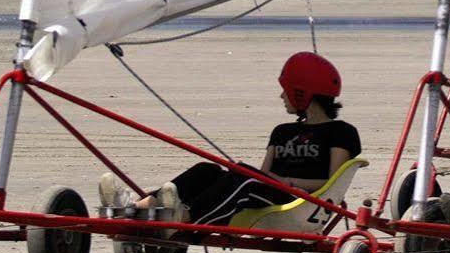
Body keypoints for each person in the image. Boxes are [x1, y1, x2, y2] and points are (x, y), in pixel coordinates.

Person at [99, 51, 360, 227]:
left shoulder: (341, 132)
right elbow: (264, 174)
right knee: (208, 170)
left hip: (299, 202)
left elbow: (330, 185)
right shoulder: (282, 131)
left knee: (244, 177)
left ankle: (184, 217)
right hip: (270, 191)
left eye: (286, 90)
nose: (281, 96)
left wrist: (286, 182)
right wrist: (271, 180)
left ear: (304, 93)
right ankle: (137, 208)